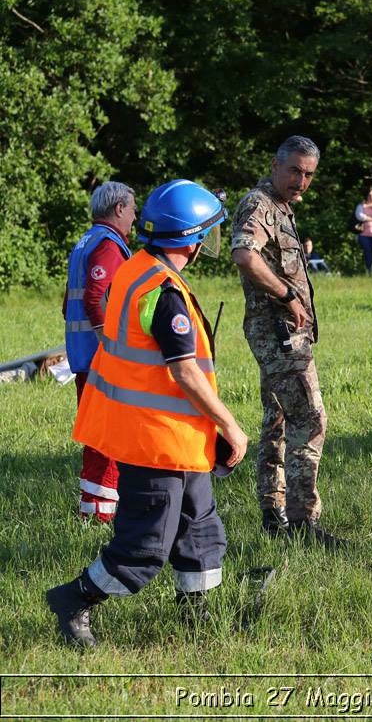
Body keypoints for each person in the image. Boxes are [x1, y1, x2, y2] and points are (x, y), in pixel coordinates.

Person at [46, 179, 250, 647]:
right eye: (205, 234)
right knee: (146, 544)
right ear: (191, 239)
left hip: (176, 438)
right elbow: (186, 373)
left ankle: (198, 617)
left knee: (199, 528)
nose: (205, 243)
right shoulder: (165, 292)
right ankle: (73, 601)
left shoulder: (136, 266)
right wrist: (231, 427)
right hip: (154, 441)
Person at [230, 136, 342, 548]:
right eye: (295, 170)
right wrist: (286, 294)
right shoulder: (259, 205)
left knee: (277, 418)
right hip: (278, 333)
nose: (301, 181)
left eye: (308, 174)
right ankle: (302, 521)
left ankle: (272, 512)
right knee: (309, 419)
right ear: (275, 166)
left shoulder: (281, 207)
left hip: (280, 333)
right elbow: (244, 255)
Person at [62, 181, 136, 522]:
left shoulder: (84, 243)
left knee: (95, 434)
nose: (134, 218)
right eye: (133, 210)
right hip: (100, 359)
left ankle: (90, 510)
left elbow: (68, 304)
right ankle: (104, 514)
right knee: (110, 435)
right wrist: (112, 345)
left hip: (81, 356)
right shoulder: (108, 245)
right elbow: (94, 298)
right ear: (119, 209)